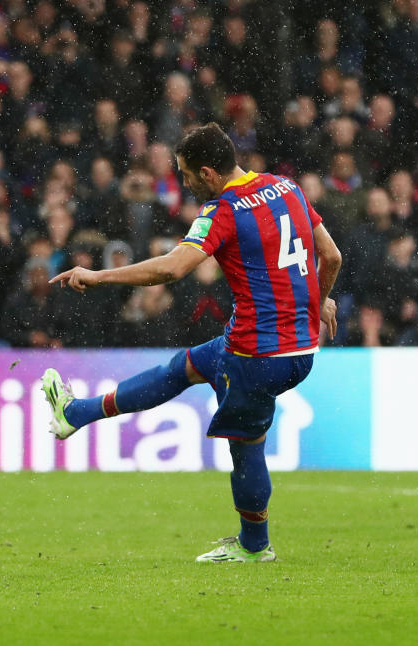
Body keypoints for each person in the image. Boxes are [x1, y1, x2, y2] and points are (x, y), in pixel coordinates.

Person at [42, 124, 342, 563]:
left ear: (208, 172)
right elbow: (330, 256)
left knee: (246, 449)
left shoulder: (223, 208)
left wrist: (99, 275)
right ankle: (75, 414)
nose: (184, 184)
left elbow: (171, 269)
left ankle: (255, 546)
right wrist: (320, 302)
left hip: (256, 355)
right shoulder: (286, 187)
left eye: (186, 175)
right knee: (180, 369)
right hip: (295, 348)